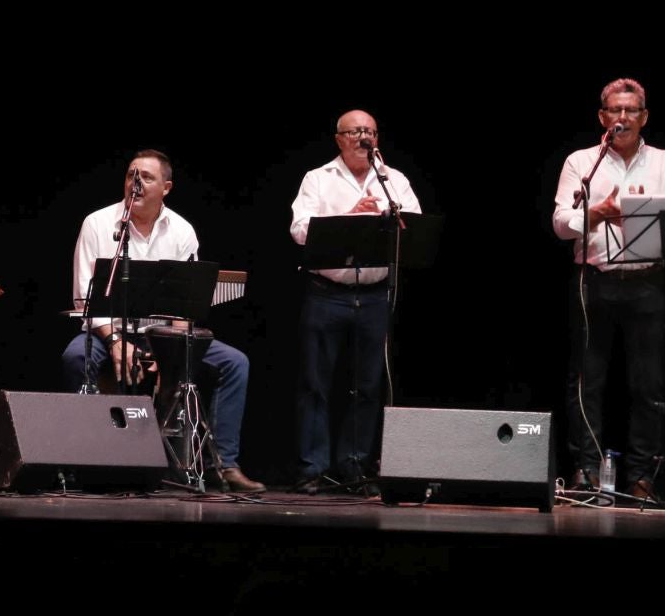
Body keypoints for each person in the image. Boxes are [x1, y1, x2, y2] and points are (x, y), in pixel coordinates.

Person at [62, 150, 263, 493]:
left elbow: (187, 306)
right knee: (75, 358)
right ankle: (85, 460)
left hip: (162, 333)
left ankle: (224, 465)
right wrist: (115, 342)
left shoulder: (182, 230)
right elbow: (85, 300)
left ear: (166, 187)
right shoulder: (97, 223)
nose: (135, 184)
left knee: (235, 363)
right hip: (108, 331)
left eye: (146, 178)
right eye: (130, 176)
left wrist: (168, 350)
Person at [551, 77, 665, 499]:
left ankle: (643, 478)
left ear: (644, 117)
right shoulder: (581, 162)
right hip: (593, 281)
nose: (623, 118)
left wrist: (634, 215)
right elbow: (560, 224)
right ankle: (586, 471)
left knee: (648, 386)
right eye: (615, 110)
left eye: (631, 111)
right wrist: (599, 213)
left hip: (646, 281)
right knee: (586, 383)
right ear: (602, 117)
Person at [288, 109, 423, 492]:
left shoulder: (393, 180)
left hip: (376, 294)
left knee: (367, 386)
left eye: (370, 132)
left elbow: (414, 226)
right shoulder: (318, 178)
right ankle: (312, 469)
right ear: (339, 138)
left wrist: (389, 219)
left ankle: (357, 467)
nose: (364, 137)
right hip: (326, 294)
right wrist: (349, 218)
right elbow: (299, 230)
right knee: (315, 383)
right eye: (356, 131)